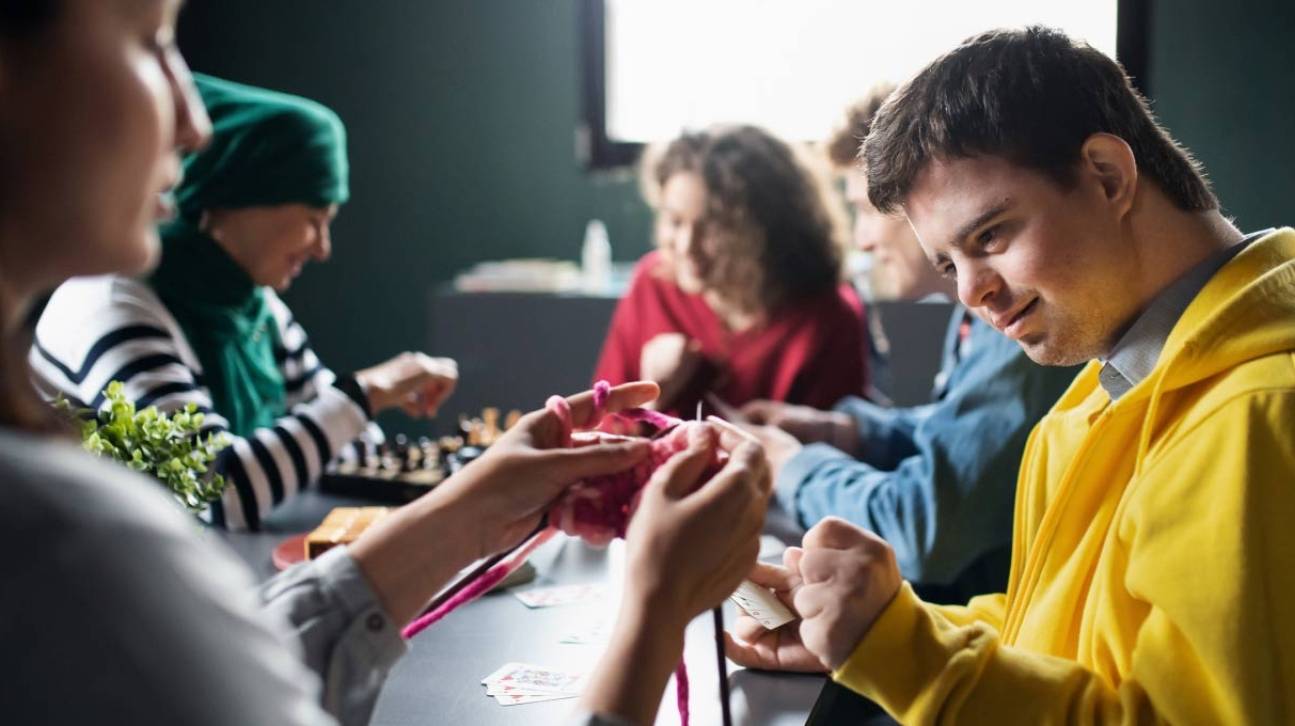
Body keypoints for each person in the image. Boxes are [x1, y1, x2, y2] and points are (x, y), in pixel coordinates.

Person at [0, 2, 770, 725]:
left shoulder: (243, 320)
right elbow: (226, 486)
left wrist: (470, 507)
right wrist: (654, 610)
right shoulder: (66, 541)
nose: (196, 123)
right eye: (148, 40)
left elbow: (244, 667)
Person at [725, 26, 1295, 724]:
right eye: (948, 264)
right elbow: (1063, 634)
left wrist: (900, 647)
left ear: (1108, 177)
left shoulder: (1257, 413)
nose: (970, 294)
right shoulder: (1109, 383)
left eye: (989, 237)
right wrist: (868, 634)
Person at [30, 73, 458, 530]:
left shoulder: (255, 305)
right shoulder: (115, 305)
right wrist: (369, 391)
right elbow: (214, 491)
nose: (322, 248)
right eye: (313, 218)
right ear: (236, 198)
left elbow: (339, 443)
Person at [741, 85, 1080, 602]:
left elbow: (924, 529)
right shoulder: (970, 316)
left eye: (868, 210)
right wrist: (849, 432)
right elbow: (963, 438)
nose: (862, 240)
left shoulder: (1016, 320)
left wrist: (791, 465)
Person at [593, 124, 867, 417]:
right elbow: (603, 427)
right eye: (674, 221)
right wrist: (650, 396)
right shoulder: (652, 285)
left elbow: (832, 453)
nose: (687, 246)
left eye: (713, 227)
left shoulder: (828, 318)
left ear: (765, 229)